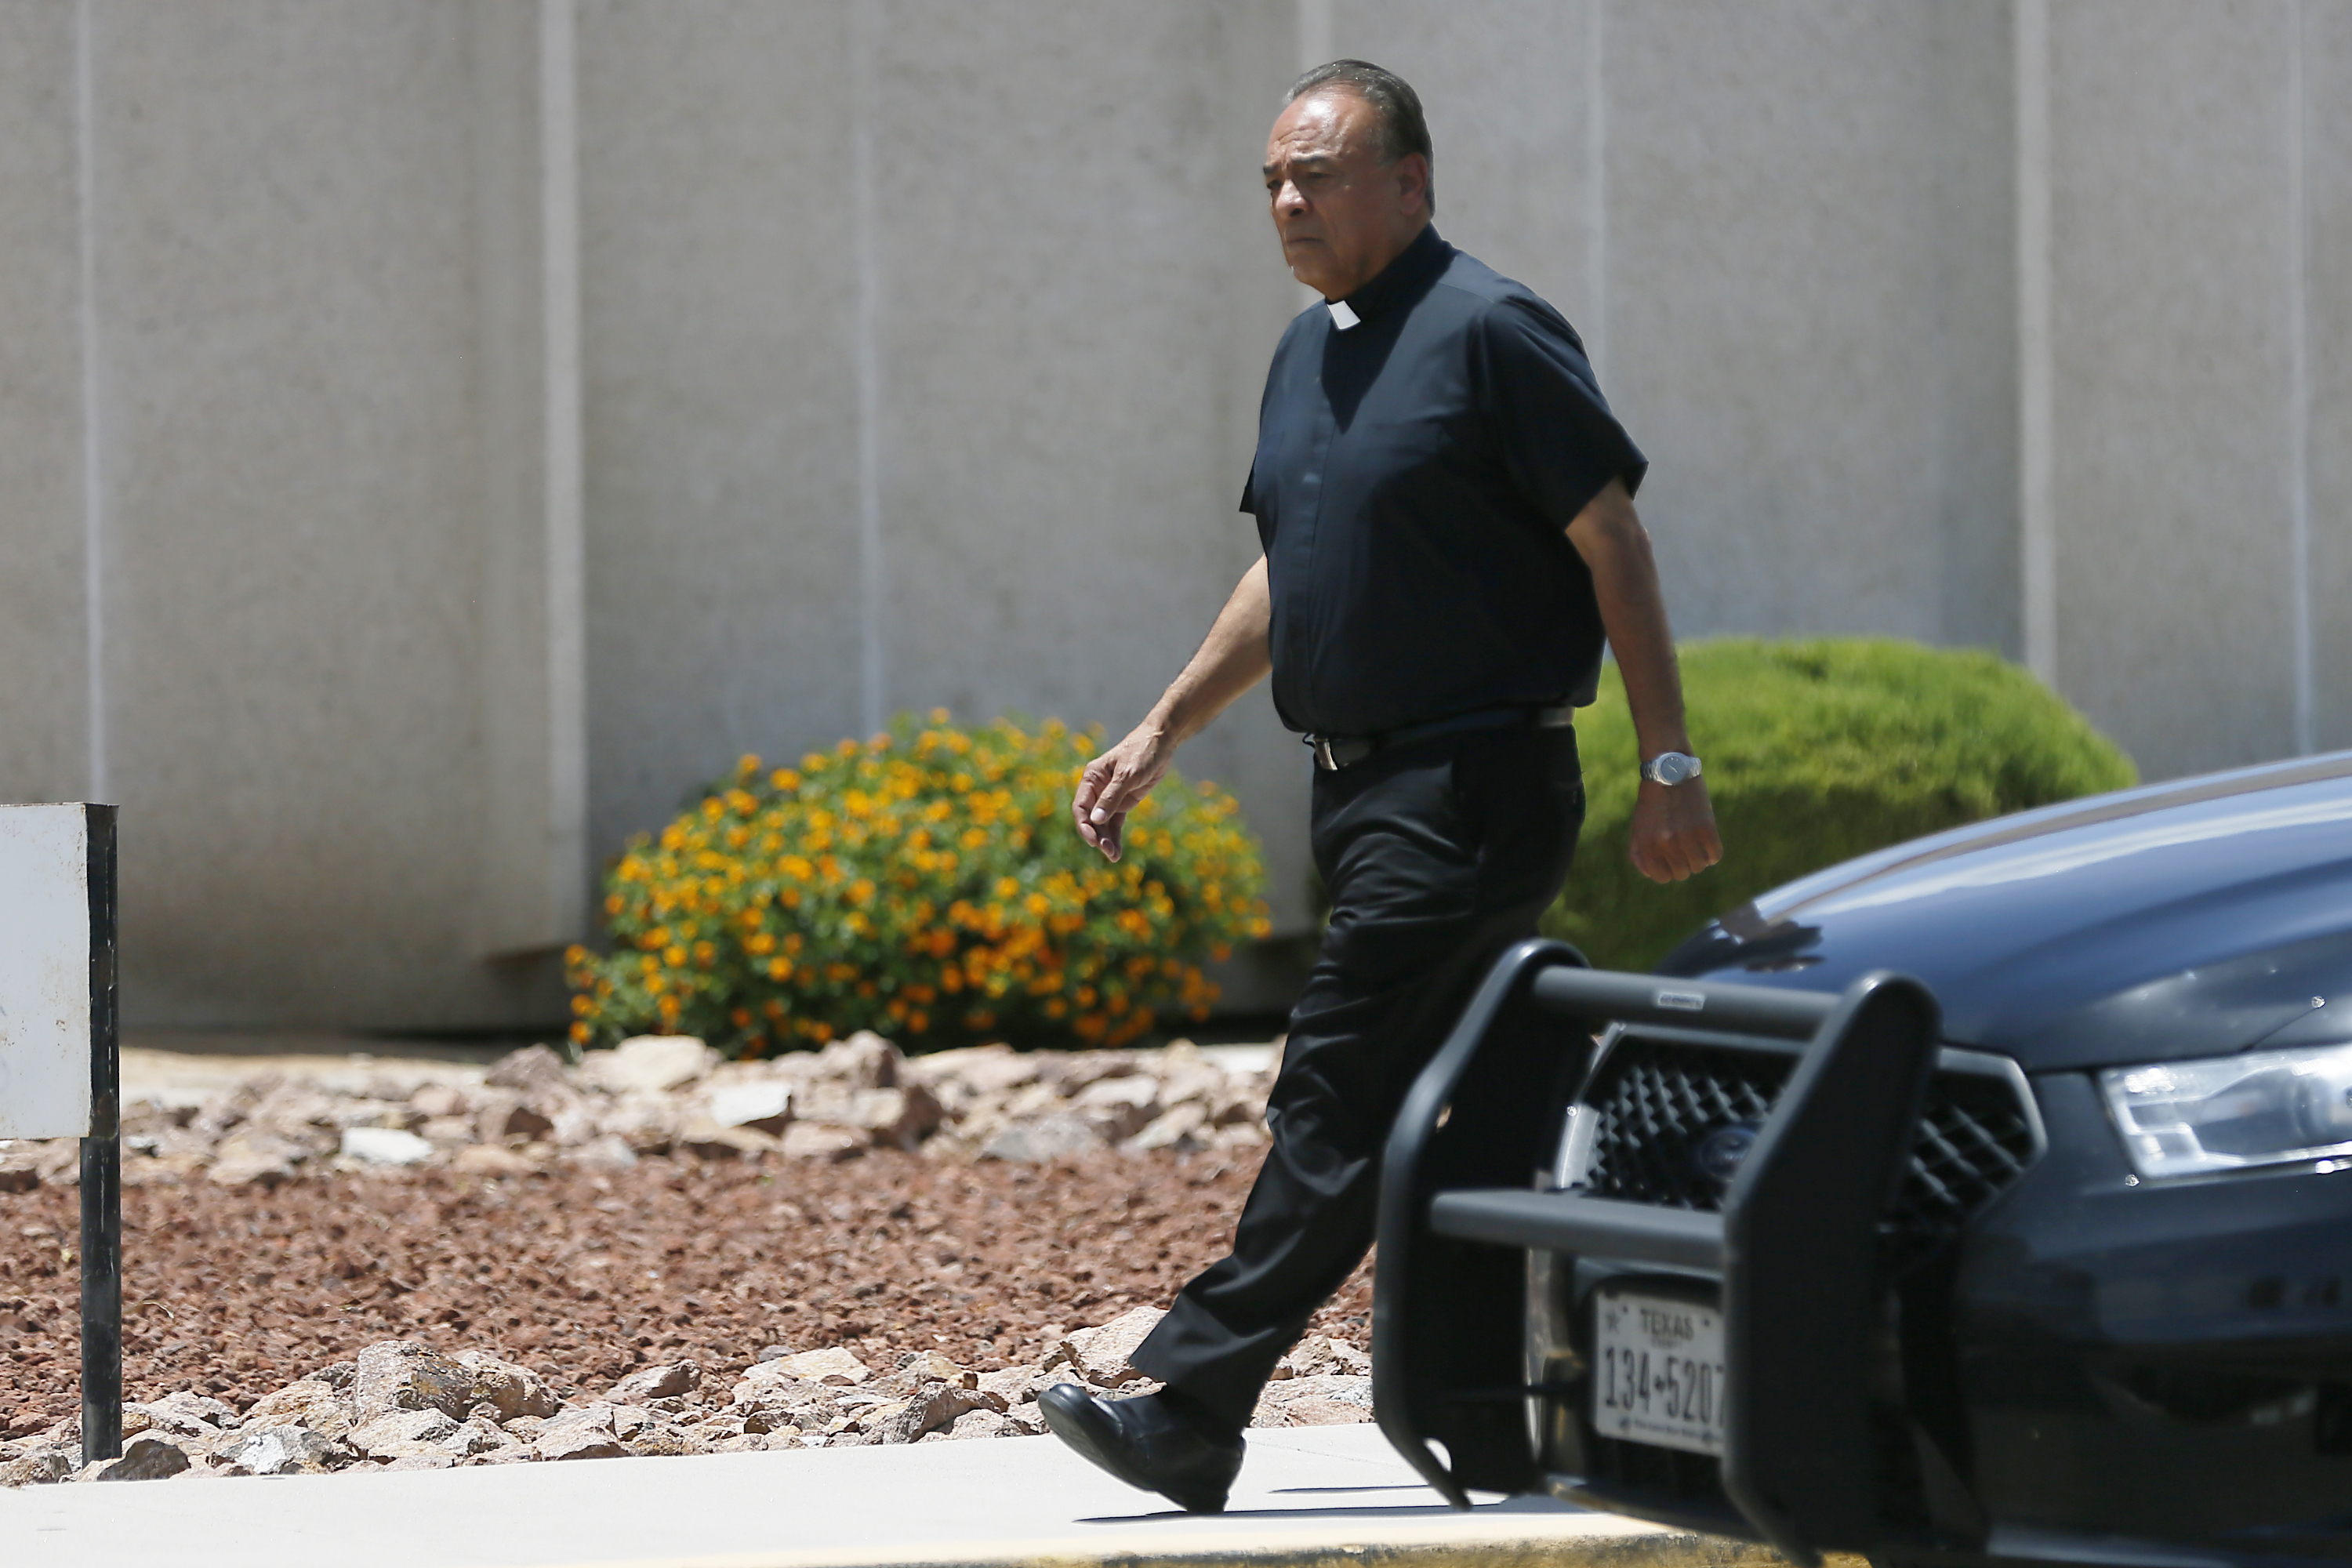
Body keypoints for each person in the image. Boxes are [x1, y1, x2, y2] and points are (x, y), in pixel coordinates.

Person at [1039, 60, 1722, 1514]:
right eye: (1274, 181)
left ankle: (1196, 1406)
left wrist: (1669, 760)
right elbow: (1290, 570)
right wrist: (1162, 728)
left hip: (1471, 784)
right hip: (1355, 795)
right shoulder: (1309, 353)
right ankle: (1495, 1413)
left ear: (1410, 184)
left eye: (1319, 174)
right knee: (1473, 1098)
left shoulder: (1492, 330)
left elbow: (1614, 540)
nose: (1288, 201)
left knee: (1340, 1083)